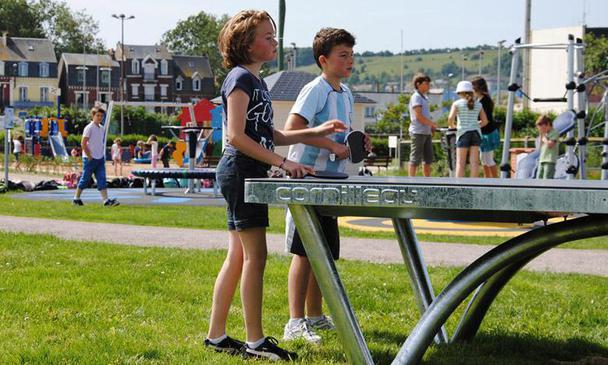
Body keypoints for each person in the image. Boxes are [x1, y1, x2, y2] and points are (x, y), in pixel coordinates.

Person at [205, 10, 346, 361]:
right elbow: (236, 136)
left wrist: (317, 134)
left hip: (246, 170)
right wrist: (284, 163)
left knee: (238, 255)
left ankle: (217, 336)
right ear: (245, 43)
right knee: (256, 256)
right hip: (240, 171)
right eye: (267, 36)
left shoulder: (257, 83)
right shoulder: (239, 79)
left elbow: (270, 135)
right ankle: (255, 342)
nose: (274, 41)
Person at [282, 27, 371, 345]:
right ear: (324, 60)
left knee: (323, 255)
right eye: (343, 55)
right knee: (304, 254)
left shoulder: (346, 93)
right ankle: (294, 322)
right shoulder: (314, 89)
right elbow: (293, 128)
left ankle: (316, 317)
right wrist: (330, 146)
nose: (350, 61)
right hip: (306, 182)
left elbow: (342, 137)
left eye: (352, 55)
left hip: (332, 182)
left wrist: (356, 143)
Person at [72, 106, 119, 206]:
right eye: (98, 115)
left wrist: (102, 155)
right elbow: (83, 143)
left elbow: (99, 143)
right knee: (85, 179)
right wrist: (89, 156)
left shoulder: (102, 129)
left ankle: (106, 200)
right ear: (93, 116)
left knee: (102, 179)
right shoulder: (89, 128)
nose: (100, 118)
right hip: (90, 159)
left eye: (101, 116)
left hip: (100, 158)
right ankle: (76, 198)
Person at [448, 81, 489, 178]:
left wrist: (453, 126)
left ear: (459, 93)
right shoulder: (478, 104)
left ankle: (459, 186)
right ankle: (473, 185)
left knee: (460, 162)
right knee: (474, 162)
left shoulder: (457, 104)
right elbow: (485, 121)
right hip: (475, 133)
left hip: (463, 133)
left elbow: (450, 119)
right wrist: (476, 125)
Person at [408, 73, 438, 177]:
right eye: (426, 83)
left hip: (426, 132)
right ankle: (410, 183)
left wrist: (431, 126)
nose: (428, 85)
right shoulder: (416, 97)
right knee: (415, 159)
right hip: (418, 132)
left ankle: (427, 182)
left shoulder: (424, 98)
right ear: (418, 84)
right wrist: (432, 124)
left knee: (428, 159)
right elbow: (418, 116)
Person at [471, 77, 500, 178]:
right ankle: (487, 179)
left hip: (488, 133)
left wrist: (473, 125)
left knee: (488, 159)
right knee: (483, 158)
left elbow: (485, 120)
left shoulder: (484, 101)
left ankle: (495, 180)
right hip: (485, 132)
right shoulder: (481, 99)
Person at [535, 114, 558, 179]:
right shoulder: (545, 134)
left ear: (548, 124)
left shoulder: (554, 132)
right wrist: (541, 135)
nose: (542, 130)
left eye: (543, 128)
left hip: (549, 160)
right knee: (538, 178)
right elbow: (539, 148)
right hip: (542, 159)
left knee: (547, 179)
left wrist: (544, 139)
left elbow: (550, 145)